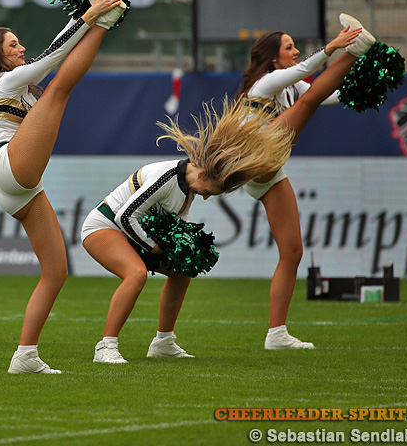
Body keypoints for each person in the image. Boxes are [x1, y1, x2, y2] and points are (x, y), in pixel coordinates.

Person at [0, 0, 125, 374]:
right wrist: (93, 16)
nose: (20, 48)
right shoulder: (6, 81)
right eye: (12, 45)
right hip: (6, 165)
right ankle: (106, 22)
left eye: (18, 42)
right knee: (58, 89)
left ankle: (24, 356)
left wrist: (88, 15)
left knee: (56, 272)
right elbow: (53, 57)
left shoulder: (22, 88)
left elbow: (54, 54)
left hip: (14, 189)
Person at [82, 99, 294, 363]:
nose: (205, 197)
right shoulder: (166, 176)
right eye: (208, 192)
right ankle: (106, 347)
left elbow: (176, 220)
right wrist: (154, 247)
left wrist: (186, 247)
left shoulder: (188, 188)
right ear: (202, 174)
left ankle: (163, 342)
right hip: (104, 226)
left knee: (183, 272)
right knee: (135, 274)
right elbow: (125, 216)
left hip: (133, 233)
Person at [235, 14, 376, 350]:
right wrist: (335, 46)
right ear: (273, 59)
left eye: (295, 46)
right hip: (254, 161)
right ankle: (355, 48)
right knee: (307, 104)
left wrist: (367, 86)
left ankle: (276, 334)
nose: (296, 51)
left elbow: (327, 94)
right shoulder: (265, 83)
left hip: (271, 170)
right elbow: (304, 76)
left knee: (293, 250)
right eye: (289, 47)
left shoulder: (291, 86)